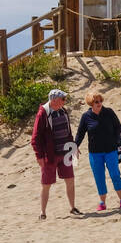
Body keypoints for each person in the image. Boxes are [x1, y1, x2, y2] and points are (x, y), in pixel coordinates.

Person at [31, 89, 80, 219]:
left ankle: (72, 207)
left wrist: (74, 147)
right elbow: (35, 138)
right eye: (62, 99)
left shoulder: (63, 111)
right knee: (46, 184)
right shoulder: (43, 113)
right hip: (50, 156)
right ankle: (43, 212)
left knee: (70, 180)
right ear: (54, 100)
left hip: (66, 153)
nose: (64, 101)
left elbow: (68, 132)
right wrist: (39, 156)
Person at [74, 93, 121, 211]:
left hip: (110, 151)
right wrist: (75, 146)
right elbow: (80, 133)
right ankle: (102, 202)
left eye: (100, 101)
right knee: (99, 177)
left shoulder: (109, 112)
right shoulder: (86, 116)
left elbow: (118, 127)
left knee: (115, 175)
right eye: (96, 102)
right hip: (95, 153)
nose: (99, 104)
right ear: (91, 104)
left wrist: (114, 140)